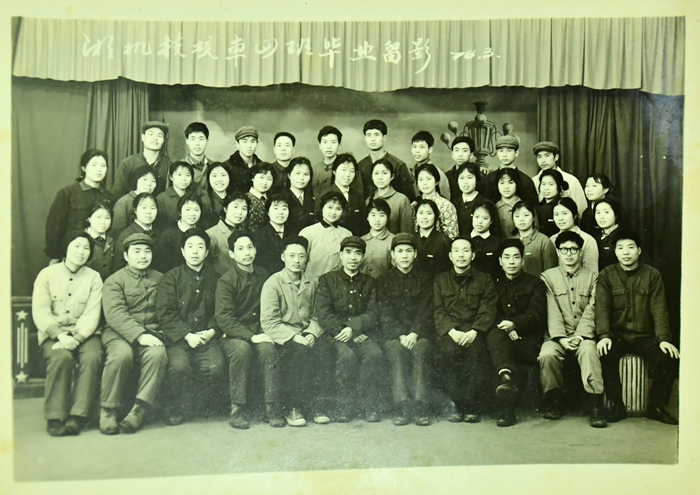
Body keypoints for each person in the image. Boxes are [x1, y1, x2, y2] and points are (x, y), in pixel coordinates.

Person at [595, 231, 679, 425]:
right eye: (620, 248)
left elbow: (659, 309)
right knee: (605, 354)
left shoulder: (652, 275)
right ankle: (616, 406)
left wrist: (664, 339)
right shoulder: (606, 276)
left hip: (645, 336)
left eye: (631, 247)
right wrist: (604, 335)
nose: (626, 252)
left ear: (639, 250)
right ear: (615, 252)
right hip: (617, 335)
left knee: (668, 357)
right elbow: (602, 308)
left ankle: (656, 406)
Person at [32, 231, 103, 436]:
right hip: (54, 333)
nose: (81, 252)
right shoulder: (47, 275)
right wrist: (60, 336)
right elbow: (40, 311)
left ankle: (78, 415)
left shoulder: (94, 278)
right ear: (66, 249)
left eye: (86, 248)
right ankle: (55, 416)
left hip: (85, 333)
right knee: (61, 357)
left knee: (92, 357)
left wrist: (77, 338)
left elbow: (92, 314)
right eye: (76, 246)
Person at [260, 236, 333, 427]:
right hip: (284, 337)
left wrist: (311, 333)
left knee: (325, 349)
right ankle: (293, 407)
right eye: (291, 255)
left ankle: (317, 406)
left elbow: (318, 315)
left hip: (308, 334)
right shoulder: (273, 283)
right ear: (282, 257)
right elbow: (269, 321)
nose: (297, 260)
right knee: (300, 353)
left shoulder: (312, 283)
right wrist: (294, 337)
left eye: (301, 256)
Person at [99, 233, 167, 435]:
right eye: (136, 251)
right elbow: (115, 314)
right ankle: (108, 410)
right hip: (118, 333)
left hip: (152, 332)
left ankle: (139, 409)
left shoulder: (161, 279)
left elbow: (167, 310)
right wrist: (140, 335)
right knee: (121, 355)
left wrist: (156, 334)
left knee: (157, 354)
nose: (142, 256)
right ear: (126, 256)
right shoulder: (114, 280)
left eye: (147, 251)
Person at [216, 231, 284, 429]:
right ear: (231, 254)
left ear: (255, 250)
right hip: (234, 334)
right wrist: (251, 337)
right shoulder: (226, 281)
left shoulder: (264, 275)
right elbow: (224, 318)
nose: (246, 253)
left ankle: (272, 407)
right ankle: (237, 409)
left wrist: (264, 333)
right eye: (240, 249)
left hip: (260, 330)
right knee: (241, 350)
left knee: (269, 350)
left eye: (249, 248)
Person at [157, 228, 225, 425]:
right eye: (190, 247)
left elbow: (221, 311)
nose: (195, 251)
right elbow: (165, 313)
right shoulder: (171, 278)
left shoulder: (216, 278)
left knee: (215, 367)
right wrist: (186, 335)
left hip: (206, 337)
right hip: (178, 339)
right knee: (179, 367)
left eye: (200, 247)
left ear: (207, 252)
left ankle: (197, 406)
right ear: (182, 251)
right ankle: (174, 407)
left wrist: (212, 331)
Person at [538, 231, 606, 428]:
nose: (568, 254)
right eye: (564, 250)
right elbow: (551, 309)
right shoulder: (547, 277)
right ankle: (553, 402)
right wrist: (561, 338)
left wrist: (580, 336)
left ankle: (596, 406)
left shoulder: (593, 277)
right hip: (556, 336)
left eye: (573, 250)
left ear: (580, 253)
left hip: (584, 335)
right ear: (558, 252)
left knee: (589, 352)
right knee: (547, 355)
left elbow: (593, 308)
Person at [315, 236, 384, 422]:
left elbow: (373, 313)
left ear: (363, 257)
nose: (353, 257)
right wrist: (346, 331)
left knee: (374, 354)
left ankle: (370, 407)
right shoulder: (327, 280)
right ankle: (345, 407)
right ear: (341, 255)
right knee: (346, 356)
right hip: (336, 335)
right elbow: (323, 313)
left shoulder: (370, 282)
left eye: (357, 253)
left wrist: (354, 329)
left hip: (362, 334)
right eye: (348, 252)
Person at [433, 236, 498, 423]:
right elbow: (438, 310)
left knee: (477, 353)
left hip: (474, 332)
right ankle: (455, 403)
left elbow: (488, 309)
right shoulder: (440, 280)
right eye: (456, 251)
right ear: (450, 256)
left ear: (473, 255)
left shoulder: (484, 279)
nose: (461, 255)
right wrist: (452, 331)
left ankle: (471, 405)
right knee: (447, 352)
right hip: (450, 333)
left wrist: (474, 331)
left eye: (465, 251)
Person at [487, 239, 547, 427]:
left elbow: (536, 314)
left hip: (527, 340)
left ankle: (506, 380)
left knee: (501, 348)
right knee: (495, 337)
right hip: (504, 338)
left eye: (515, 257)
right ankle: (507, 401)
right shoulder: (494, 284)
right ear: (500, 261)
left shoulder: (535, 284)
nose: (511, 262)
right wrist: (506, 327)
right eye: (507, 257)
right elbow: (491, 312)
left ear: (522, 260)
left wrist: (514, 325)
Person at [376, 233, 434, 426]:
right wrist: (401, 335)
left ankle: (420, 405)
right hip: (394, 335)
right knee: (396, 351)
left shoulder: (425, 279)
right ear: (393, 255)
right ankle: (402, 405)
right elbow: (385, 312)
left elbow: (426, 310)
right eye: (400, 251)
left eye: (409, 251)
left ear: (415, 254)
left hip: (419, 334)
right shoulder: (383, 279)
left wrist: (414, 333)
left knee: (421, 350)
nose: (404, 255)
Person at [45, 149, 116, 263]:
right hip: (71, 255)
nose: (99, 169)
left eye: (103, 166)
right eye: (94, 165)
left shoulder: (109, 198)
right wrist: (54, 256)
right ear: (84, 168)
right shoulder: (68, 193)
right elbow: (54, 226)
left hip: (100, 258)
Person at [299, 191, 352, 283]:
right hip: (313, 284)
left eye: (338, 209)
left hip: (339, 285)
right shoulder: (307, 232)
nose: (333, 212)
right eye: (330, 207)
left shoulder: (347, 234)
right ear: (322, 208)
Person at [358, 119, 415, 201]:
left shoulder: (398, 165)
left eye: (376, 135)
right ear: (365, 138)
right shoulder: (360, 166)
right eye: (369, 135)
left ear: (384, 137)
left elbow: (409, 198)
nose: (372, 139)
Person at [112, 121, 171, 198]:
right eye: (151, 134)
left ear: (163, 140)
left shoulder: (168, 165)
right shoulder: (128, 163)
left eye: (159, 136)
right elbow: (117, 194)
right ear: (143, 137)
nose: (155, 138)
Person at [531, 141, 586, 215]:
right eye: (539, 156)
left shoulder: (571, 180)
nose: (543, 161)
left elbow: (581, 210)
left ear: (556, 157)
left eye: (547, 155)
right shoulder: (534, 181)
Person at [152, 194, 203, 274]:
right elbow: (160, 266)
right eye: (187, 210)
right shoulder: (168, 235)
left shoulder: (202, 232)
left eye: (196, 210)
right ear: (179, 212)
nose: (192, 214)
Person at [481, 135, 538, 205]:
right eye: (501, 151)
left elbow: (533, 207)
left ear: (516, 153)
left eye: (509, 151)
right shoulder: (489, 179)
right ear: (497, 153)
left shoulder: (525, 181)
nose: (504, 155)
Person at [550, 197, 599, 273]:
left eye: (564, 213)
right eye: (556, 214)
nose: (560, 218)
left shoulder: (587, 240)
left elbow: (592, 272)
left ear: (575, 215)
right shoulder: (552, 240)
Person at [113, 193, 159, 273]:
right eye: (144, 207)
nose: (148, 212)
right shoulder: (126, 235)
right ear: (135, 210)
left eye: (152, 208)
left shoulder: (159, 233)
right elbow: (118, 266)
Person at [206, 193, 250, 275]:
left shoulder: (246, 234)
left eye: (244, 209)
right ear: (225, 209)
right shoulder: (211, 234)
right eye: (235, 207)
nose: (239, 212)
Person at [111, 165, 158, 240]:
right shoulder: (124, 202)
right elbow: (117, 232)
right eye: (144, 179)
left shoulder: (154, 201)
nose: (149, 184)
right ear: (136, 180)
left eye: (153, 181)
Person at [512, 201, 557, 277]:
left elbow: (550, 272)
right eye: (517, 216)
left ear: (533, 217)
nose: (521, 219)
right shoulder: (510, 241)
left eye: (526, 215)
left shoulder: (544, 241)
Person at [414, 163, 459, 239]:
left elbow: (452, 237)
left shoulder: (446, 206)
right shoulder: (414, 205)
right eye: (420, 179)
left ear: (436, 181)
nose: (424, 183)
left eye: (428, 179)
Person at [327, 153, 367, 236]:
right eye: (344, 170)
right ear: (334, 171)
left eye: (352, 171)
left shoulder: (358, 197)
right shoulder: (325, 194)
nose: (348, 175)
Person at [371, 158, 413, 234]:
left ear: (392, 176)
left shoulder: (402, 200)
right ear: (372, 177)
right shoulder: (369, 201)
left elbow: (407, 232)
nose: (380, 177)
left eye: (384, 173)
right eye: (376, 173)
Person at [252, 193, 290, 274]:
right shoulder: (258, 235)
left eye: (284, 208)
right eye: (276, 208)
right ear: (268, 212)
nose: (280, 212)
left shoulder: (294, 233)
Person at [413, 198, 451, 279]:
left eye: (429, 213)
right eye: (421, 213)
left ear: (435, 216)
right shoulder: (411, 238)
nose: (424, 217)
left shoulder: (444, 241)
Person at [409, 131, 451, 200]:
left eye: (422, 147)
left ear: (430, 149)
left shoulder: (438, 173)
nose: (417, 151)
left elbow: (445, 199)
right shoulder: (411, 172)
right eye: (414, 147)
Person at [360, 199, 395, 280]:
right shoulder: (361, 240)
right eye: (373, 215)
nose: (377, 220)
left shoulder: (394, 240)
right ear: (367, 217)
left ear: (388, 218)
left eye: (382, 215)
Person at [469, 200, 503, 279]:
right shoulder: (463, 240)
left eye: (485, 218)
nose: (480, 222)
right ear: (472, 216)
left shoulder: (497, 243)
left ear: (491, 221)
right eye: (476, 217)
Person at [592, 197, 626, 272]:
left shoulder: (624, 236)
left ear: (616, 214)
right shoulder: (595, 238)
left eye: (606, 212)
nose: (601, 217)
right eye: (598, 213)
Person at [156, 161, 195, 227]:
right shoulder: (161, 198)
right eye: (179, 174)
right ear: (171, 177)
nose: (184, 179)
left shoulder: (194, 197)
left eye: (187, 175)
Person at [285, 157, 316, 236]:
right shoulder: (282, 197)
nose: (301, 178)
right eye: (297, 173)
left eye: (306, 174)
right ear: (289, 175)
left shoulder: (313, 199)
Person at [84, 203, 115, 280]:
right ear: (89, 218)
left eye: (107, 218)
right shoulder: (80, 239)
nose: (103, 222)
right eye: (98, 217)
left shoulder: (112, 241)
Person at [312, 125, 346, 197]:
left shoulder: (347, 167)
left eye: (333, 142)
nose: (329, 146)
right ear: (320, 145)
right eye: (325, 142)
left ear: (339, 145)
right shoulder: (314, 168)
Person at [226, 126, 261, 194]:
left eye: (252, 141)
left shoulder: (261, 166)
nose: (249, 146)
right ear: (237, 144)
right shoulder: (227, 166)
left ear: (257, 143)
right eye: (245, 141)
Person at [535, 169, 569, 237]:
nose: (546, 188)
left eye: (551, 184)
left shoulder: (564, 206)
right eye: (543, 184)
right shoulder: (536, 206)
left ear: (559, 186)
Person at [452, 162, 482, 236]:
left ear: (477, 179)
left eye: (469, 177)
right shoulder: (453, 204)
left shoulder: (485, 203)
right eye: (462, 178)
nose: (465, 182)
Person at [199, 162, 233, 230]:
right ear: (208, 179)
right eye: (214, 176)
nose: (219, 180)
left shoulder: (235, 198)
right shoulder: (203, 202)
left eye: (223, 175)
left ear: (229, 178)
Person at [245, 163, 276, 233]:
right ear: (252, 178)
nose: (264, 183)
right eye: (261, 177)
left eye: (269, 179)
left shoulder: (273, 200)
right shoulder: (244, 199)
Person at [444, 135, 476, 201]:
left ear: (471, 155)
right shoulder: (446, 177)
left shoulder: (479, 177)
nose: (460, 154)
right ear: (452, 154)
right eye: (457, 150)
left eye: (464, 150)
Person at [182, 122, 211, 192]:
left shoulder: (214, 166)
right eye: (193, 139)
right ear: (187, 141)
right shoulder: (178, 167)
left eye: (201, 139)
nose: (197, 143)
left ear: (207, 141)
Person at [493, 168, 522, 238]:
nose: (506, 187)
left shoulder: (525, 207)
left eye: (510, 182)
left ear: (517, 184)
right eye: (502, 183)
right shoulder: (493, 207)